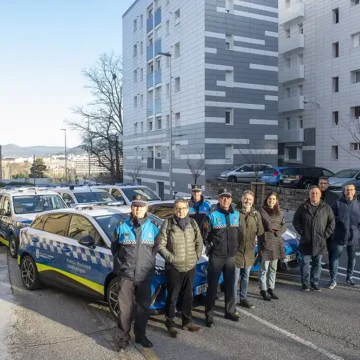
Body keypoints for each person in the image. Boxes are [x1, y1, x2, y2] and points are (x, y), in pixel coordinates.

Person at [111, 195, 159, 350]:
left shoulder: (154, 228)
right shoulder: (121, 227)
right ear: (131, 208)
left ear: (146, 208)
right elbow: (115, 250)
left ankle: (140, 336)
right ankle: (123, 337)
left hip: (144, 277)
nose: (137, 209)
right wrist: (121, 268)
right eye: (135, 206)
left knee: (143, 309)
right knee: (124, 310)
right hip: (126, 276)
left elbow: (155, 251)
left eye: (141, 206)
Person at [157, 199, 203, 338]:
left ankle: (187, 321)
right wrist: (171, 259)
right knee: (173, 296)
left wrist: (196, 256)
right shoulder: (168, 223)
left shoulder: (193, 223)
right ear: (174, 209)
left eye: (183, 208)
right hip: (174, 268)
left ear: (188, 209)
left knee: (188, 295)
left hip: (190, 266)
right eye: (177, 208)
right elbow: (160, 245)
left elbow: (199, 241)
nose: (180, 211)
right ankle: (170, 322)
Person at [204, 189, 240, 327]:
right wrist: (211, 247)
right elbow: (205, 236)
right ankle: (209, 314)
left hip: (230, 256)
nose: (225, 200)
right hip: (216, 256)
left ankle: (230, 311)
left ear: (231, 200)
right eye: (222, 198)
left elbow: (239, 233)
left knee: (230, 285)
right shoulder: (212, 215)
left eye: (228, 197)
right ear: (219, 200)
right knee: (212, 286)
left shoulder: (236, 214)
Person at [293, 186, 335, 292]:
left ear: (320, 195)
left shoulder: (326, 207)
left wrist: (326, 234)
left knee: (317, 263)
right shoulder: (303, 207)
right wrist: (301, 231)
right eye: (312, 193)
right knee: (305, 263)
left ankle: (314, 282)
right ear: (309, 195)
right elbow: (296, 220)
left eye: (316, 193)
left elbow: (332, 222)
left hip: (320, 241)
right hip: (306, 240)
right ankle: (305, 283)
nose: (314, 195)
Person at [235, 190, 264, 309]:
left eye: (250, 200)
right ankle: (231, 302)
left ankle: (243, 298)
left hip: (249, 251)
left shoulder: (256, 215)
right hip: (236, 252)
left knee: (246, 276)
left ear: (253, 202)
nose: (247, 201)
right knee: (235, 278)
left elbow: (261, 231)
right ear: (242, 199)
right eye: (246, 199)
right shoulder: (235, 213)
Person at [329, 184, 360, 289]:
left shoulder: (358, 205)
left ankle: (349, 278)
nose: (349, 192)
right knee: (335, 257)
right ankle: (333, 280)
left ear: (355, 191)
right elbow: (330, 218)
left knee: (352, 258)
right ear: (344, 191)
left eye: (351, 190)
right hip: (339, 234)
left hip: (353, 236)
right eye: (347, 190)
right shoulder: (337, 203)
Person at [258, 192, 287, 301]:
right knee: (264, 268)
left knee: (273, 268)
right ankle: (263, 289)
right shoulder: (262, 211)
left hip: (277, 241)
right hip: (266, 241)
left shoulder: (279, 211)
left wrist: (278, 232)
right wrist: (274, 228)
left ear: (276, 200)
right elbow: (268, 224)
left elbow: (284, 225)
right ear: (266, 200)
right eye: (270, 199)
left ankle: (271, 288)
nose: (272, 201)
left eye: (274, 199)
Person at [318, 176, 339, 276]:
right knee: (317, 252)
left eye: (325, 183)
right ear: (318, 184)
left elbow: (337, 213)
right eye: (321, 183)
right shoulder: (314, 194)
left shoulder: (334, 197)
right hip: (317, 229)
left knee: (331, 251)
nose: (323, 185)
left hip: (330, 229)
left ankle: (331, 270)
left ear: (328, 184)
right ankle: (315, 270)